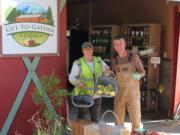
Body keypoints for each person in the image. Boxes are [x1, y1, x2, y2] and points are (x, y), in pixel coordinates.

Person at [69, 41, 111, 122]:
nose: (88, 51)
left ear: (92, 50)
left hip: (97, 95)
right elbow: (71, 77)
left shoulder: (98, 60)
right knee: (82, 118)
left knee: (95, 118)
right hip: (83, 95)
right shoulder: (78, 63)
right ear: (82, 51)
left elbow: (106, 71)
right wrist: (78, 83)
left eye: (90, 49)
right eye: (86, 50)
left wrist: (107, 72)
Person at [112, 35, 145, 130]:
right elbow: (113, 76)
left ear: (125, 44)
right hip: (119, 94)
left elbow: (143, 71)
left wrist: (139, 75)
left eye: (120, 43)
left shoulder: (134, 57)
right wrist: (108, 74)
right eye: (116, 44)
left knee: (136, 123)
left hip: (133, 95)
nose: (118, 46)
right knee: (118, 123)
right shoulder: (115, 60)